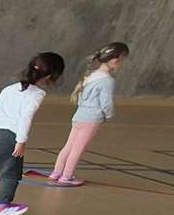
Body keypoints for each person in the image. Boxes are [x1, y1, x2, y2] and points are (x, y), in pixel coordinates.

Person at [0, 52, 66, 215]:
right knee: (11, 174)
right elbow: (26, 117)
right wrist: (21, 141)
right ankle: (2, 206)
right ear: (49, 76)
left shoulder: (9, 88)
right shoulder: (37, 94)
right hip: (8, 137)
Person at [47, 42, 129, 186]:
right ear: (116, 61)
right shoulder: (107, 80)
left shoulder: (92, 76)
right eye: (122, 61)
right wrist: (109, 115)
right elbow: (106, 103)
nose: (121, 64)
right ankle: (67, 176)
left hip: (79, 116)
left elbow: (80, 97)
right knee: (78, 149)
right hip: (91, 120)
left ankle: (56, 172)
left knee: (68, 146)